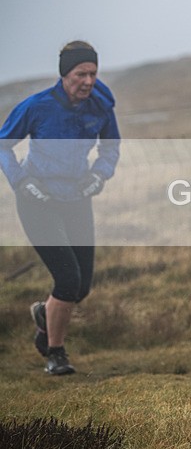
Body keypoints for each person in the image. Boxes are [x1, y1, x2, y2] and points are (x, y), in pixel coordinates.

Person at [0, 41, 121, 375]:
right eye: (80, 73)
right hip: (37, 200)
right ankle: (55, 354)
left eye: (93, 73)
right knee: (67, 278)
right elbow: (4, 144)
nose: (88, 80)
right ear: (65, 74)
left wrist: (99, 175)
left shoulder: (100, 107)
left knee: (81, 287)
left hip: (77, 199)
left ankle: (44, 314)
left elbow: (111, 147)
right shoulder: (36, 107)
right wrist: (22, 182)